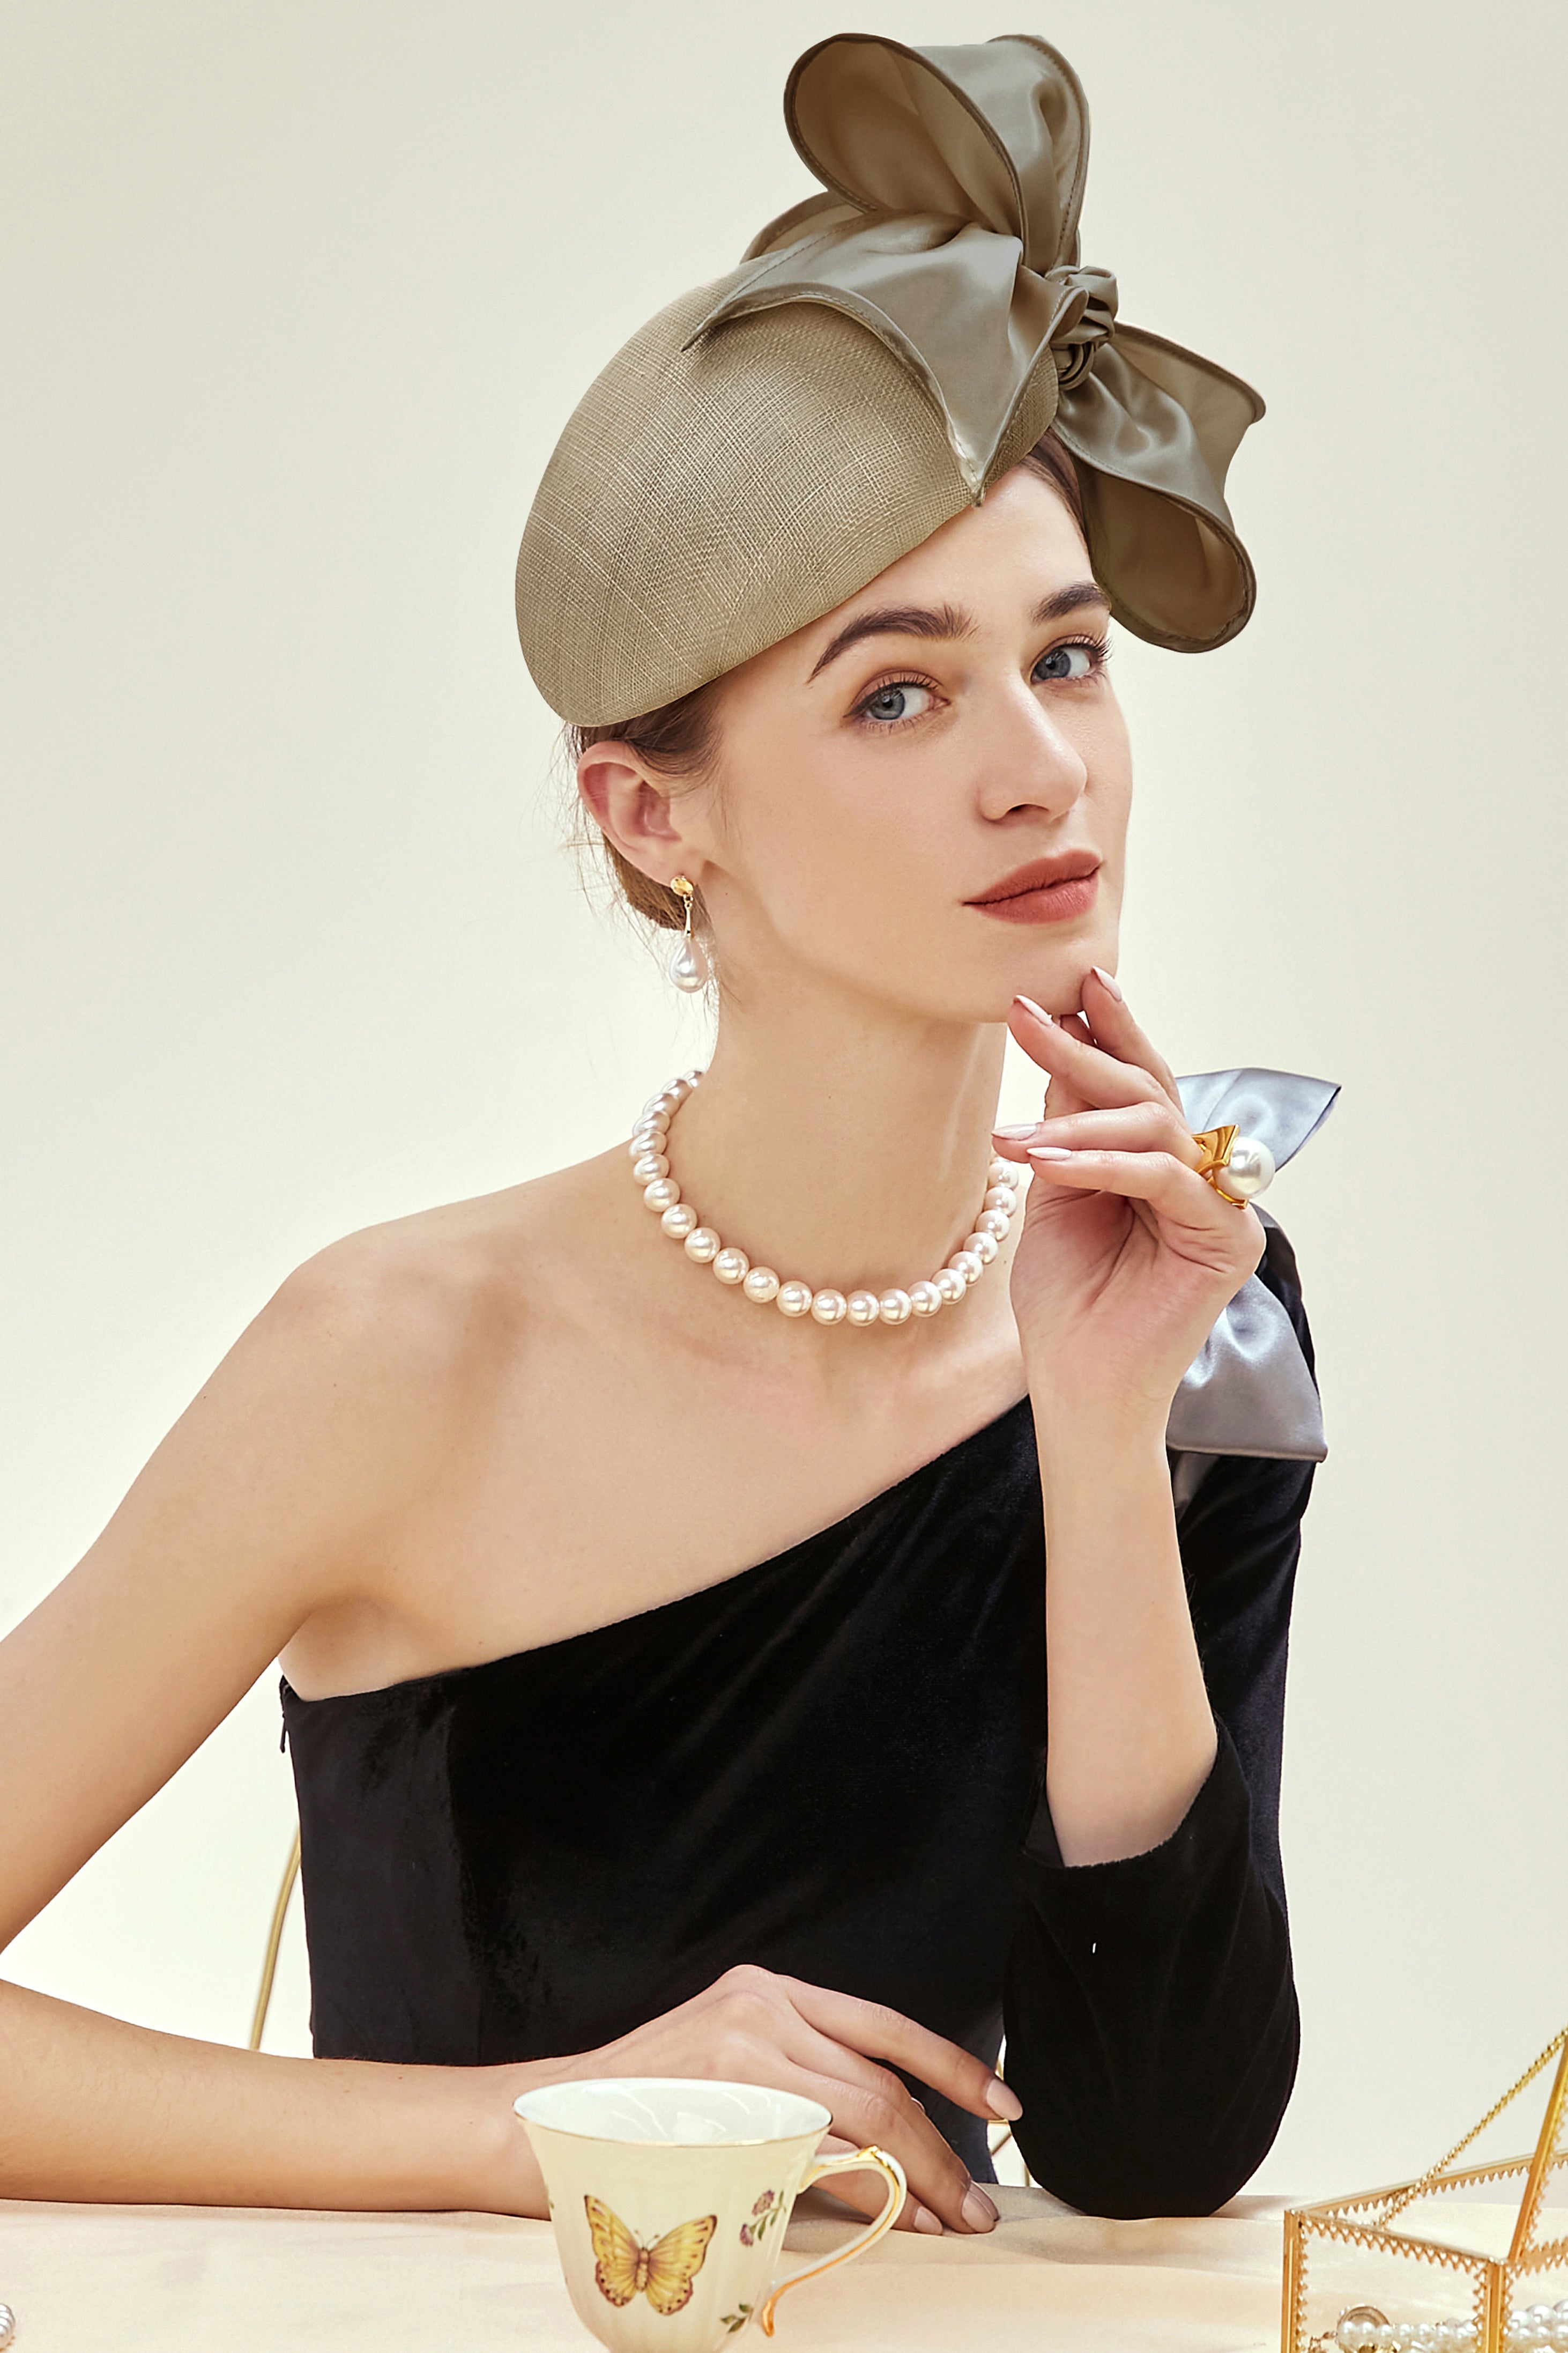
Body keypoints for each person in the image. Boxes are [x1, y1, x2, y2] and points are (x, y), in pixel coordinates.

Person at [0, 31, 1335, 2234]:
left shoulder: (1194, 1294)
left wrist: (1103, 1441)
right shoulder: (401, 1356)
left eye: (1071, 657)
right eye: (898, 691)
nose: (1041, 768)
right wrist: (535, 2120)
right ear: (651, 811)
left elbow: (1159, 2142)